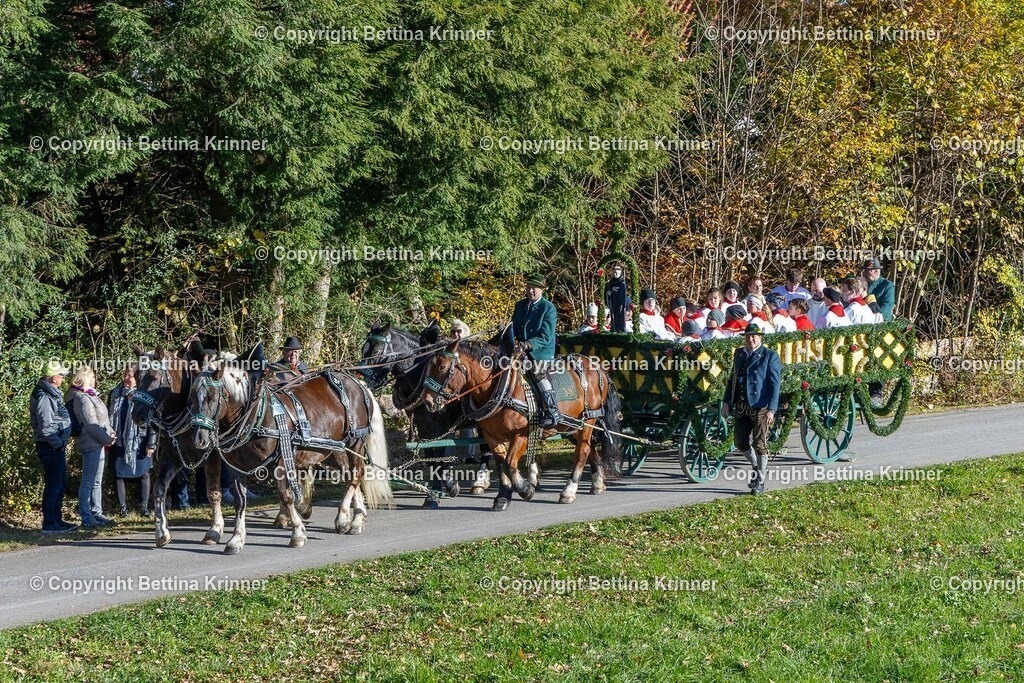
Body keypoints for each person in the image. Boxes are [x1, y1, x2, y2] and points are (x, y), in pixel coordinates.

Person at [722, 323, 781, 495]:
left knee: (759, 443)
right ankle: (756, 465)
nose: (751, 339)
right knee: (740, 442)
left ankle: (760, 481)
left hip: (760, 405)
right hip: (742, 404)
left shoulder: (769, 356)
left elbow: (775, 384)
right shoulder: (739, 353)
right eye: (748, 336)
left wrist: (772, 409)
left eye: (754, 336)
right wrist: (726, 402)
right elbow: (732, 379)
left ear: (760, 337)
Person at [66, 365, 116, 528]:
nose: (95, 380)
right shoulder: (81, 398)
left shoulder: (91, 395)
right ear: (86, 377)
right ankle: (86, 516)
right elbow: (91, 424)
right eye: (93, 377)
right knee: (88, 480)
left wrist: (111, 432)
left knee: (97, 481)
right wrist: (107, 439)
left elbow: (103, 419)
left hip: (99, 441)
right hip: (91, 443)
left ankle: (97, 512)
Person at [30, 360, 77, 533]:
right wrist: (57, 444)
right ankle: (49, 524)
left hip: (54, 445)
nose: (63, 378)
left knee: (60, 484)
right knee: (54, 485)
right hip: (50, 445)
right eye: (61, 375)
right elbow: (46, 426)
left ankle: (57, 520)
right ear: (53, 378)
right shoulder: (44, 396)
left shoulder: (50, 392)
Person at [512, 273, 560, 427]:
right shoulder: (520, 305)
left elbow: (546, 336)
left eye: (534, 288)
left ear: (542, 289)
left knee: (537, 372)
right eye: (529, 287)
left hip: (541, 352)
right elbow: (513, 328)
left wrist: (527, 344)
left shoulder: (548, 308)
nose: (531, 290)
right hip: (520, 350)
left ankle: (551, 408)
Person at [108, 366, 157, 516]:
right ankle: (123, 509)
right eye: (125, 375)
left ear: (137, 378)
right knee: (119, 474)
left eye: (130, 376)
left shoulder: (145, 395)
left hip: (139, 441)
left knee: (144, 474)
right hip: (119, 440)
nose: (126, 378)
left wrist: (151, 444)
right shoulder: (115, 393)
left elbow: (152, 421)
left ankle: (144, 508)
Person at [604, 263, 630, 333]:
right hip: (613, 305)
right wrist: (608, 293)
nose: (615, 271)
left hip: (621, 305)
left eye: (618, 269)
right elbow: (606, 293)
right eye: (614, 269)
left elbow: (625, 295)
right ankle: (614, 328)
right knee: (613, 318)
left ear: (621, 271)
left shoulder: (624, 283)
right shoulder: (609, 284)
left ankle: (621, 329)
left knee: (620, 318)